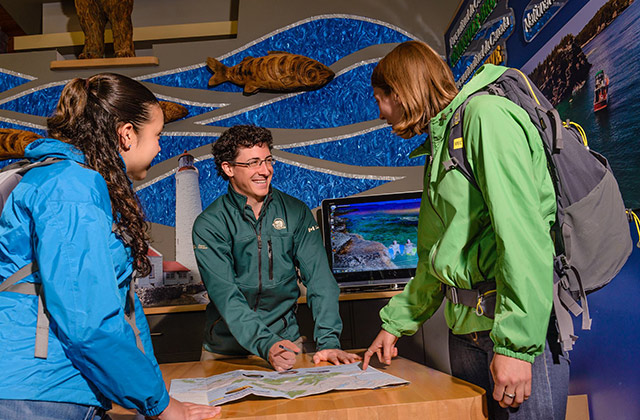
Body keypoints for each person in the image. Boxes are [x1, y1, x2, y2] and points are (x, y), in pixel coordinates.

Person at [362, 41, 569, 420]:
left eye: (380, 98)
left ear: (402, 90)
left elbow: (523, 233)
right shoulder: (440, 144)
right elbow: (435, 257)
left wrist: (516, 348)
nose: (380, 113)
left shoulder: (485, 118)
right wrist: (394, 325)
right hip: (466, 334)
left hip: (508, 334)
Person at [0, 73, 220, 420]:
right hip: (40, 394)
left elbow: (125, 310)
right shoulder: (72, 186)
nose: (161, 147)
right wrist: (159, 405)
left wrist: (155, 396)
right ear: (127, 133)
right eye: (158, 135)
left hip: (45, 387)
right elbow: (89, 320)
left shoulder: (65, 179)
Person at [192, 125, 360, 371]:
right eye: (253, 163)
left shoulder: (296, 212)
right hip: (225, 351)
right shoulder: (210, 224)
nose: (265, 170)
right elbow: (226, 296)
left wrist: (328, 340)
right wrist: (265, 343)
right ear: (228, 168)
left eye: (268, 160)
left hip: (286, 345)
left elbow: (320, 279)